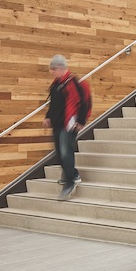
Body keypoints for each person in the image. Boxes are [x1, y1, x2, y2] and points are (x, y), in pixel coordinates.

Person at [44, 55, 90, 201]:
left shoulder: (73, 82)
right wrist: (48, 116)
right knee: (59, 153)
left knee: (65, 152)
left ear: (61, 68)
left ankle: (70, 182)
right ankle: (73, 173)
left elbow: (85, 102)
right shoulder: (56, 84)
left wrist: (82, 120)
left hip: (69, 124)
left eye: (54, 69)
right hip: (57, 123)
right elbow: (53, 103)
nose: (52, 72)